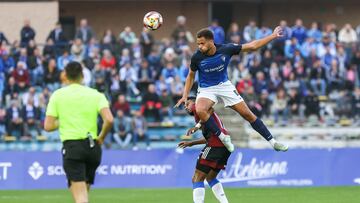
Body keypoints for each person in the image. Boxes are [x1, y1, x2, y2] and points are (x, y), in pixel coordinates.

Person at [175, 27, 288, 152]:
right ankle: (224, 138)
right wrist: (185, 95)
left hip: (224, 85)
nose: (200, 46)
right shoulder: (197, 57)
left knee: (248, 115)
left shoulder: (226, 49)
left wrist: (272, 36)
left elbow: (252, 46)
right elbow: (191, 75)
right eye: (198, 44)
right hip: (207, 88)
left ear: (211, 41)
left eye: (202, 43)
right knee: (200, 109)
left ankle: (274, 142)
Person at [44, 61, 113, 203]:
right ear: (82, 75)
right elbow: (109, 120)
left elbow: (48, 126)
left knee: (81, 197)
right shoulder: (96, 95)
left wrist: (63, 120)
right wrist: (101, 137)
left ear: (65, 76)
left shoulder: (58, 95)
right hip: (93, 148)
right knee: (83, 193)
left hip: (73, 147)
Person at [178, 96, 231, 203]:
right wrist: (191, 143)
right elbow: (208, 138)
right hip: (225, 147)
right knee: (210, 178)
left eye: (187, 104)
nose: (186, 107)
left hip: (215, 146)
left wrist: (197, 126)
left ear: (195, 102)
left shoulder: (199, 108)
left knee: (197, 178)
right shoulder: (201, 116)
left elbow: (211, 108)